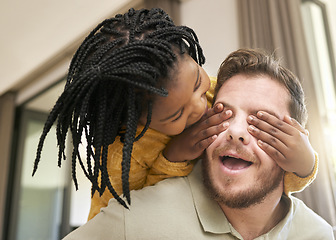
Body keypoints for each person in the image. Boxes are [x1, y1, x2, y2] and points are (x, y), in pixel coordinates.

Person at [33, 7, 317, 222]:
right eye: (176, 115)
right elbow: (123, 219)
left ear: (192, 56)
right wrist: (173, 157)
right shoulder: (121, 155)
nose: (200, 106)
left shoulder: (218, 91)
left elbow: (264, 183)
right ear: (136, 123)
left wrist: (305, 163)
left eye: (197, 83)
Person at [62, 48, 333, 240]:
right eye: (223, 114)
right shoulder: (131, 218)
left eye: (261, 122)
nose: (235, 131)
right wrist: (173, 153)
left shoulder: (319, 234)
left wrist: (306, 161)